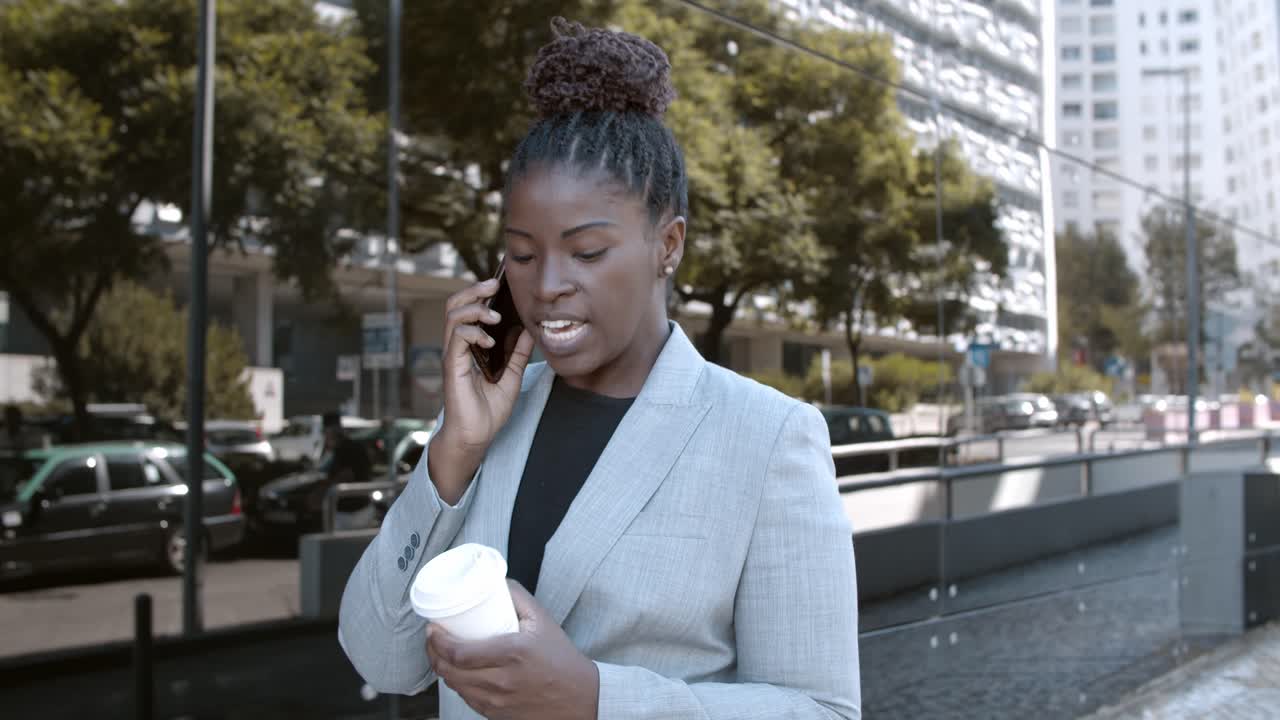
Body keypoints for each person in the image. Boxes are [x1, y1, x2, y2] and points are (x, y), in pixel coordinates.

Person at [339, 18, 860, 720]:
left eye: (586, 253)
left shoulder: (768, 438)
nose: (547, 283)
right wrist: (452, 455)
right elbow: (381, 661)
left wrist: (595, 699)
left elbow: (824, 710)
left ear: (667, 244)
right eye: (522, 255)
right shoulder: (482, 422)